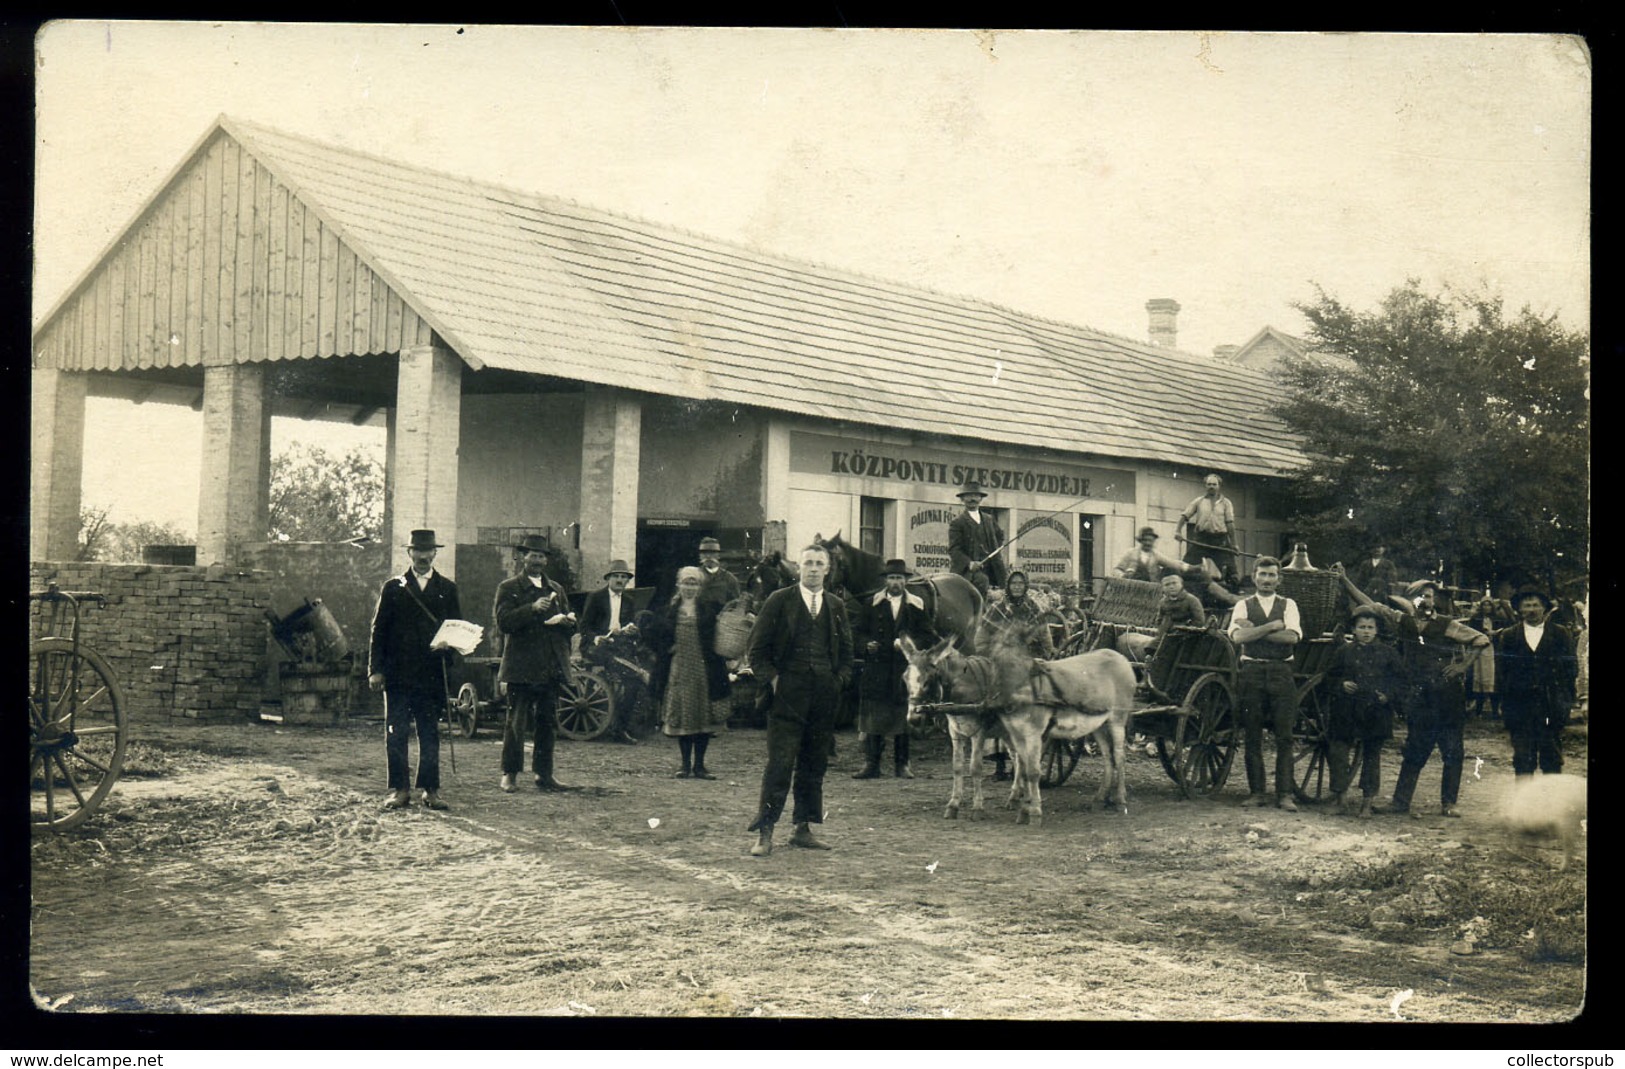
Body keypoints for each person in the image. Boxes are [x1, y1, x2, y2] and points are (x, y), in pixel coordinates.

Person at [1335, 572, 1489, 819]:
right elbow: (1369, 604)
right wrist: (1344, 579)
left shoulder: (1448, 624)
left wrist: (1462, 666)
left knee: (1452, 750)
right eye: (1419, 596)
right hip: (1419, 697)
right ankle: (1400, 802)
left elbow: (1481, 639)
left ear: (1433, 600)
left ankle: (1448, 803)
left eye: (1428, 596)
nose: (1424, 601)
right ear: (1409, 601)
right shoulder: (1402, 620)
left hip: (1447, 695)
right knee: (1414, 749)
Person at [744, 543, 854, 857]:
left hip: (823, 697)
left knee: (813, 764)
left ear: (828, 569)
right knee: (780, 764)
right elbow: (757, 650)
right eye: (809, 563)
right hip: (786, 698)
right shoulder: (780, 601)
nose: (814, 569)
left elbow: (847, 654)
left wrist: (839, 681)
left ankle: (802, 829)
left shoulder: (835, 605)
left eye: (820, 563)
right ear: (799, 568)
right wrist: (775, 681)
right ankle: (765, 832)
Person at [368, 529, 461, 811]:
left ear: (435, 553)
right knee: (395, 732)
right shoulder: (393, 587)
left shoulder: (447, 588)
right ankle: (400, 789)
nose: (422, 556)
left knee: (429, 732)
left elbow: (456, 627)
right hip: (397, 674)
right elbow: (378, 630)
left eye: (427, 551)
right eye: (417, 551)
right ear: (409, 553)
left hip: (431, 673)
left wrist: (450, 646)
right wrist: (375, 669)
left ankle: (430, 790)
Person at [493, 534, 577, 793]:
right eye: (532, 555)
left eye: (541, 556)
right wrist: (532, 608)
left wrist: (569, 623)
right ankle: (509, 774)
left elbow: (568, 628)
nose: (537, 560)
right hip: (521, 666)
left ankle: (544, 774)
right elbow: (503, 622)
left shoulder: (557, 589)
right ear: (522, 557)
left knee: (547, 722)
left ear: (546, 560)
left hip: (550, 665)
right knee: (516, 722)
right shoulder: (509, 588)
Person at [1226, 556, 1304, 810]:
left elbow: (1291, 637)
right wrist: (1271, 626)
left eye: (1272, 575)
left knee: (1284, 736)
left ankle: (1284, 794)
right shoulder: (1243, 605)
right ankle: (1257, 792)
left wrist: (1255, 631)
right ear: (1254, 577)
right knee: (1252, 734)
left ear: (1279, 579)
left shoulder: (1289, 604)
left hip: (1281, 672)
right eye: (1263, 574)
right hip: (1251, 672)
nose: (1267, 580)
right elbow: (1238, 637)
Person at [643, 566, 733, 779]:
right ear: (679, 585)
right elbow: (650, 633)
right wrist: (666, 649)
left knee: (703, 717)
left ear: (700, 587)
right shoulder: (668, 610)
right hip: (679, 669)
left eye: (694, 583)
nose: (689, 587)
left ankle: (700, 766)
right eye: (686, 583)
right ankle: (684, 765)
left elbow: (721, 635)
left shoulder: (709, 611)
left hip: (704, 670)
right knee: (685, 716)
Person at [853, 559, 937, 780]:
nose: (896, 582)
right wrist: (865, 645)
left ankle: (903, 764)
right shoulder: (872, 603)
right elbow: (857, 631)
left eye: (899, 578)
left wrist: (909, 644)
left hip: (904, 669)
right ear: (886, 581)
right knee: (875, 716)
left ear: (906, 581)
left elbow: (928, 635)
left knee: (903, 715)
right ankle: (872, 764)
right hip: (877, 668)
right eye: (892, 578)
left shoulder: (916, 604)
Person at [1324, 606, 1405, 818]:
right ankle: (1340, 799)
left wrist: (1387, 695)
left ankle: (1367, 803)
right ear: (1354, 629)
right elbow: (1329, 677)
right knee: (1339, 751)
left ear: (1377, 630)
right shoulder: (1343, 651)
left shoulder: (1388, 653)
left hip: (1375, 710)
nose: (1366, 631)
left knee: (1372, 756)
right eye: (1362, 627)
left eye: (1370, 627)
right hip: (1346, 709)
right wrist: (1342, 684)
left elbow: (1401, 681)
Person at [1495, 590, 1579, 779]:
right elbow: (1501, 672)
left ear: (1544, 608)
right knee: (1523, 757)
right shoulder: (1509, 635)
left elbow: (1571, 668)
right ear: (1519, 609)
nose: (1531, 610)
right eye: (1527, 605)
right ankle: (1524, 804)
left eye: (1535, 605)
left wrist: (1565, 700)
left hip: (1550, 704)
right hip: (1519, 704)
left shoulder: (1560, 633)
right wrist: (1505, 703)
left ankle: (1552, 805)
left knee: (1551, 756)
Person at [578, 559, 641, 744]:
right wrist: (597, 638)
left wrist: (631, 630)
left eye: (623, 577)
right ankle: (616, 727)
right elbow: (584, 626)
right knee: (627, 672)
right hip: (596, 646)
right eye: (616, 576)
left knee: (634, 681)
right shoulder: (596, 597)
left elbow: (629, 624)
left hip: (619, 645)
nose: (620, 580)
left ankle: (620, 728)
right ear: (608, 578)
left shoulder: (629, 601)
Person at [1118, 572, 1207, 662]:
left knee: (1172, 648)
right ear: (1163, 588)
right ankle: (1152, 661)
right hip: (1166, 633)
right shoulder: (1163, 602)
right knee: (1150, 646)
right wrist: (1162, 628)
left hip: (1185, 635)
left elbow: (1199, 620)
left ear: (1181, 585)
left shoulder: (1191, 600)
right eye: (1167, 585)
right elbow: (1159, 618)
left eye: (1174, 583)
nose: (1171, 587)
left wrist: (1186, 628)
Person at [947, 481, 1008, 597]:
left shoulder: (989, 519)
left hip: (992, 568)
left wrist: (993, 551)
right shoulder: (957, 523)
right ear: (962, 499)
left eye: (975, 495)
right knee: (982, 581)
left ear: (980, 498)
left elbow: (1000, 536)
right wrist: (969, 563)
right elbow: (954, 550)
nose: (972, 499)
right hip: (969, 572)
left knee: (1007, 586)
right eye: (968, 496)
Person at [980, 570, 1055, 659]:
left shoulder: (1033, 608)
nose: (1017, 587)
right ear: (1008, 586)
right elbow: (981, 639)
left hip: (1028, 658)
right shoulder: (997, 608)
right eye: (1013, 583)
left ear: (1025, 586)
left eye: (1020, 583)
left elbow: (1045, 636)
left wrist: (1046, 656)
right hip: (1000, 658)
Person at [1177, 474, 1238, 583]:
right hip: (1202, 539)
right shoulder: (1198, 501)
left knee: (1231, 574)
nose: (1211, 487)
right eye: (1209, 484)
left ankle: (1234, 594)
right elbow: (1185, 516)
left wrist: (1234, 544)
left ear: (1219, 486)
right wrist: (1178, 531)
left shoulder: (1226, 503)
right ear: (1205, 486)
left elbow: (1230, 524)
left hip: (1220, 541)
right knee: (1186, 568)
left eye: (1214, 484)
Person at [1464, 593, 1514, 717]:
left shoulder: (1498, 619)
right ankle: (1478, 709)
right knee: (1479, 677)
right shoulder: (1475, 619)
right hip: (1479, 651)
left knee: (1494, 679)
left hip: (1493, 651)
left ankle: (1495, 710)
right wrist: (1484, 634)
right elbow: (1470, 633)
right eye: (1484, 605)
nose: (1487, 608)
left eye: (1489, 605)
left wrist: (1496, 634)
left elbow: (1505, 631)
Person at [1112, 527, 1186, 583]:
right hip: (1131, 587)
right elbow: (1117, 569)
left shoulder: (1156, 555)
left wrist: (1190, 568)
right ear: (1140, 540)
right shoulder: (1130, 553)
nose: (1148, 543)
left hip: (1150, 589)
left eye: (1150, 540)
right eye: (1145, 540)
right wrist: (1123, 576)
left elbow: (1172, 564)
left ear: (1153, 541)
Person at [696, 536, 742, 610]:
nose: (708, 556)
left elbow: (736, 605)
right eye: (704, 553)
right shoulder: (694, 577)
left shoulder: (729, 579)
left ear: (718, 555)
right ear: (700, 556)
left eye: (712, 552)